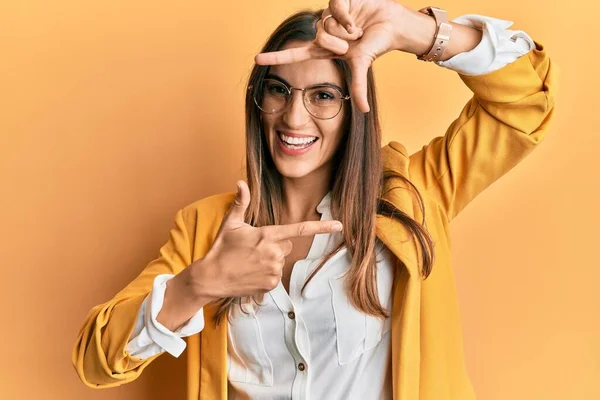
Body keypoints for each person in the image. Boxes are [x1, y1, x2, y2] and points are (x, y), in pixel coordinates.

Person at [72, 0, 557, 399]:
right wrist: (196, 285)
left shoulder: (414, 195)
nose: (295, 119)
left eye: (323, 95)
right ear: (258, 102)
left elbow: (526, 102)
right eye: (279, 91)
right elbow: (97, 362)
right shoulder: (206, 228)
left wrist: (415, 31)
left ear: (355, 107)